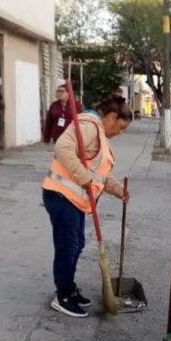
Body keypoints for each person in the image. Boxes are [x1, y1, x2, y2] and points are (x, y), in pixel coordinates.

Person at [42, 95, 132, 318]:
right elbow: (63, 147)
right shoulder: (89, 126)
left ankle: (69, 289)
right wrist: (82, 177)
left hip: (74, 200)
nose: (120, 133)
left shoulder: (99, 135)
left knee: (77, 244)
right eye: (120, 127)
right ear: (111, 117)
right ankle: (62, 296)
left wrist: (118, 189)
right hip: (60, 195)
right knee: (68, 247)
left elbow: (99, 174)